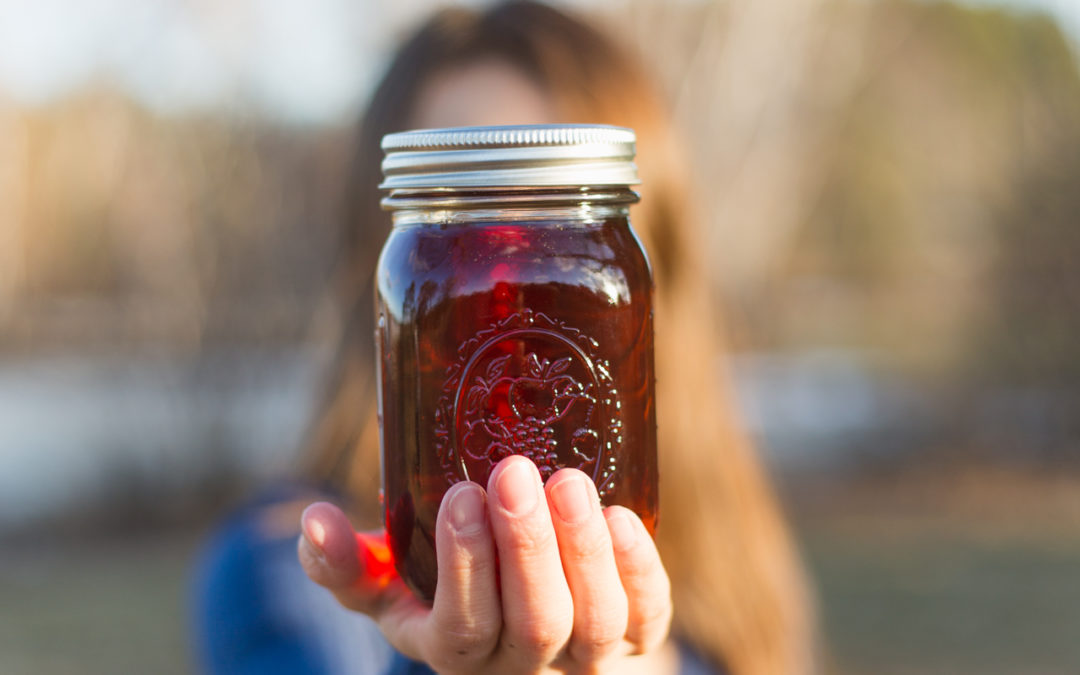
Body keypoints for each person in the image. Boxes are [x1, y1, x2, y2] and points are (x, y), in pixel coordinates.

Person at [192, 3, 816, 674]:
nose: (509, 267)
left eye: (544, 230)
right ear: (383, 268)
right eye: (470, 230)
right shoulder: (284, 580)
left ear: (649, 276)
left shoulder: (732, 568)